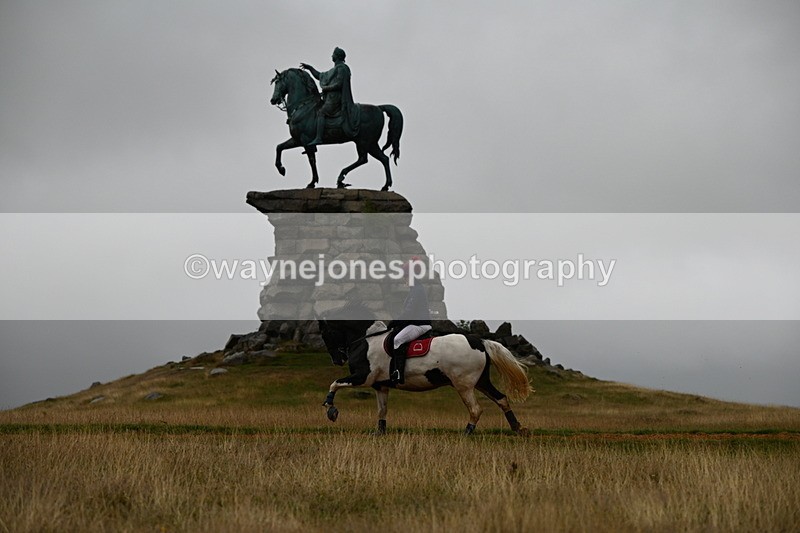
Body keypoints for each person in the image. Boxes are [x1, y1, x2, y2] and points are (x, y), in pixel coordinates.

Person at [300, 47, 360, 145]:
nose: (332, 56)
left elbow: (339, 83)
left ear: (337, 56)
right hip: (330, 98)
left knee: (321, 112)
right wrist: (310, 68)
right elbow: (320, 76)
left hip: (336, 99)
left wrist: (326, 88)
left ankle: (319, 138)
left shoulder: (342, 68)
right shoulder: (333, 70)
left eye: (333, 54)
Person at [387, 259, 432, 383]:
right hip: (416, 323)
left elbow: (409, 312)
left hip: (420, 325)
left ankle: (399, 374)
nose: (404, 279)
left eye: (405, 276)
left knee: (398, 339)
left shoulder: (417, 290)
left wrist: (396, 322)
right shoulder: (415, 289)